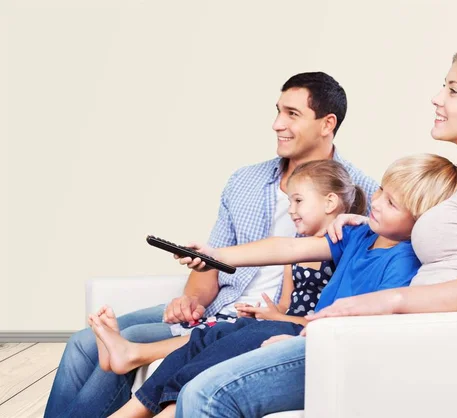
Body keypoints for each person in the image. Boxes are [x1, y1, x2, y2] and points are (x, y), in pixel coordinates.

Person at [172, 43, 457, 418]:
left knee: (208, 395)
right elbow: (300, 247)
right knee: (204, 384)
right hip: (382, 337)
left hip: (398, 342)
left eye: (453, 89)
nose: (437, 98)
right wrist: (371, 224)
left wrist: (377, 304)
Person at [43, 72, 379, 418]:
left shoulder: (362, 195)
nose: (277, 124)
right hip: (220, 306)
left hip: (271, 320)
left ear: (327, 123)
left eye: (292, 114)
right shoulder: (245, 181)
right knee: (83, 343)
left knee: (132, 339)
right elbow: (213, 264)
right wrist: (190, 300)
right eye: (278, 111)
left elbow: (352, 270)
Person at [107, 153, 457, 418]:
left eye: (391, 202)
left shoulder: (403, 262)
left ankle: (165, 410)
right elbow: (287, 247)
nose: (376, 200)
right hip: (309, 329)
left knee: (257, 330)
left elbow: (360, 328)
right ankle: (133, 412)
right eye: (381, 190)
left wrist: (296, 332)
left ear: (420, 218)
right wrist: (219, 254)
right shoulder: (358, 234)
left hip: (324, 341)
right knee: (214, 335)